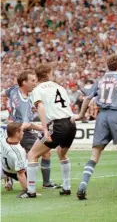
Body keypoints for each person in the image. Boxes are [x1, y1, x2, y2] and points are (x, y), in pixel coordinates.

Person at [74, 55, 117, 200]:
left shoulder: (99, 81)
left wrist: (80, 115)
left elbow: (87, 98)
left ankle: (82, 186)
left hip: (102, 117)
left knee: (94, 155)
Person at [2, 70, 59, 190]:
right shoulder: (24, 104)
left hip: (12, 128)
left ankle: (9, 175)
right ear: (24, 82)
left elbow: (3, 93)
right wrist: (44, 129)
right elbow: (26, 124)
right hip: (21, 131)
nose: (35, 83)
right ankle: (45, 183)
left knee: (16, 155)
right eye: (32, 81)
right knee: (45, 152)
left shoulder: (14, 89)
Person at [26, 64, 77, 198]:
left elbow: (41, 107)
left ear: (38, 76)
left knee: (32, 155)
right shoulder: (60, 87)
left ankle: (30, 190)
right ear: (48, 73)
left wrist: (45, 129)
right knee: (62, 153)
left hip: (57, 125)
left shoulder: (37, 89)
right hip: (71, 124)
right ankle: (66, 187)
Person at [1, 122, 31, 198]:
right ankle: (28, 190)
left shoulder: (3, 138)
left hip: (3, 168)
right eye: (22, 131)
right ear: (17, 133)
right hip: (14, 172)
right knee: (33, 161)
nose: (23, 133)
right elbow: (20, 174)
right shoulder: (19, 151)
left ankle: (8, 177)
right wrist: (27, 191)